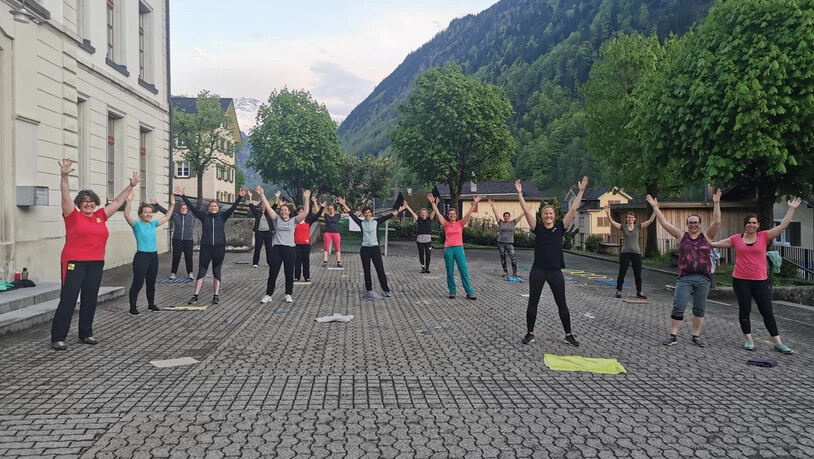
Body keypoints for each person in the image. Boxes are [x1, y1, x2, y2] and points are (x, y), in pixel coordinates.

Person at [51, 159, 140, 351]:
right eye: (85, 202)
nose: (88, 204)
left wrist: (131, 185)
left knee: (90, 298)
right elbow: (65, 195)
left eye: (91, 201)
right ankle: (58, 337)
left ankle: (86, 333)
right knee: (69, 299)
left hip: (96, 263)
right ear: (79, 204)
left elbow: (117, 201)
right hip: (75, 263)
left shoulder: (101, 216)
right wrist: (64, 176)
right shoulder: (72, 216)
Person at [710, 199, 802, 354]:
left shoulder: (764, 236)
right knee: (744, 309)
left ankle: (778, 342)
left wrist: (791, 209)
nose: (751, 225)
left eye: (754, 223)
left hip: (760, 280)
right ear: (745, 224)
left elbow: (782, 226)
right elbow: (715, 244)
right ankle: (749, 340)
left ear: (758, 225)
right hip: (740, 280)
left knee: (767, 311)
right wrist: (698, 240)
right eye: (749, 223)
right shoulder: (736, 239)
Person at [646, 190, 721, 347]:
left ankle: (696, 336)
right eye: (690, 222)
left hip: (703, 278)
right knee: (679, 306)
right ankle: (673, 335)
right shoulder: (681, 236)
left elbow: (717, 222)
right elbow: (665, 223)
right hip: (684, 278)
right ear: (687, 225)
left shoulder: (707, 237)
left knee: (699, 309)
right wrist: (655, 207)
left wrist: (716, 203)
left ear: (700, 224)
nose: (693, 225)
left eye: (696, 222)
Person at [516, 178, 585, 347]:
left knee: (562, 303)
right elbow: (525, 211)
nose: (548, 215)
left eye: (551, 213)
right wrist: (519, 193)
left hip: (555, 272)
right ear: (542, 216)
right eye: (545, 213)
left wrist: (581, 191)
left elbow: (574, 208)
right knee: (533, 302)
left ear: (555, 216)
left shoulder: (561, 227)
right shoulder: (537, 228)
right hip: (538, 271)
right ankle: (530, 333)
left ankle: (568, 335)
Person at [179, 186, 247, 306]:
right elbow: (192, 208)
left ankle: (216, 296)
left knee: (217, 271)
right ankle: (195, 296)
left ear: (218, 208)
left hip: (219, 248)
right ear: (209, 208)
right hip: (206, 248)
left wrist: (240, 197)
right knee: (201, 271)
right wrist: (183, 196)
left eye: (215, 206)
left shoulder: (222, 217)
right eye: (211, 206)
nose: (213, 208)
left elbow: (233, 208)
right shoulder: (204, 217)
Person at [338, 196, 405, 297]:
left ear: (371, 213)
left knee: (380, 269)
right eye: (365, 213)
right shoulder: (361, 223)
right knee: (367, 270)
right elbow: (352, 214)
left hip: (375, 248)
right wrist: (343, 204)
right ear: (364, 215)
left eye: (369, 213)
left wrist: (400, 210)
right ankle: (369, 290)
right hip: (365, 249)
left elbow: (389, 215)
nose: (367, 214)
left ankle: (386, 289)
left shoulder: (376, 222)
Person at [256, 187, 313, 304]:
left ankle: (288, 294)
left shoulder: (294, 221)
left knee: (289, 273)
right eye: (282, 210)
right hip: (277, 248)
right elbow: (267, 207)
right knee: (273, 272)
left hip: (290, 249)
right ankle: (268, 294)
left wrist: (306, 199)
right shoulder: (276, 219)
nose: (283, 212)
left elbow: (306, 213)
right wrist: (262, 195)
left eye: (285, 210)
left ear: (289, 212)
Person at [124, 192, 175, 315]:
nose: (148, 214)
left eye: (150, 212)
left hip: (153, 256)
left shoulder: (153, 224)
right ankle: (132, 308)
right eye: (145, 212)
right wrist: (129, 201)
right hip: (142, 257)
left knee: (151, 283)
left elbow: (167, 217)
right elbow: (126, 215)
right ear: (141, 214)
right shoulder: (137, 225)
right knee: (138, 282)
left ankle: (151, 305)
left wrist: (172, 204)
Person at [427, 193, 480, 300]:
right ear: (448, 215)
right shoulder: (446, 224)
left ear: (456, 215)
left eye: (453, 214)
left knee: (463, 270)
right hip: (448, 250)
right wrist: (433, 203)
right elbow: (437, 214)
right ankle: (452, 291)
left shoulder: (460, 223)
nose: (452, 215)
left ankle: (469, 292)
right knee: (449, 271)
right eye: (450, 214)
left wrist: (474, 204)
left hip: (459, 249)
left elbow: (468, 215)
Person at [603, 204, 656, 298]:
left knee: (638, 274)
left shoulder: (638, 227)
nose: (630, 219)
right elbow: (612, 222)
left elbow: (650, 221)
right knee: (622, 272)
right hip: (625, 253)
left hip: (636, 253)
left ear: (635, 219)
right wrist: (608, 213)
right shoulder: (623, 227)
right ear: (626, 219)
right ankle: (618, 290)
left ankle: (639, 291)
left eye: (632, 217)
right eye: (629, 217)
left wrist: (655, 209)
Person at [152, 198, 195, 279]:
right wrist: (156, 205)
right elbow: (166, 212)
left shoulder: (192, 216)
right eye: (182, 208)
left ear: (187, 209)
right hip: (177, 240)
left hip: (188, 240)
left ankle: (190, 273)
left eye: (185, 208)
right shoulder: (175, 216)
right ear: (179, 209)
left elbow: (200, 210)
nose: (183, 209)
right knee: (176, 257)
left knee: (188, 257)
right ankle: (173, 273)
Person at [488, 199, 528, 279]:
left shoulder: (513, 222)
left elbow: (521, 216)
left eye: (507, 216)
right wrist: (492, 206)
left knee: (513, 258)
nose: (506, 217)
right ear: (503, 217)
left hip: (509, 243)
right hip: (501, 243)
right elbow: (496, 213)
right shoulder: (501, 222)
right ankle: (505, 272)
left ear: (509, 217)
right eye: (505, 216)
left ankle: (515, 272)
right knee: (503, 258)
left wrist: (526, 210)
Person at [294, 196, 326, 282]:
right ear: (297, 213)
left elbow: (317, 215)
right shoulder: (294, 221)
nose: (301, 213)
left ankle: (306, 277)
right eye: (299, 212)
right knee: (297, 261)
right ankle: (296, 277)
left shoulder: (308, 220)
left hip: (306, 244)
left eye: (302, 211)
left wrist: (322, 207)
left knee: (306, 261)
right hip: (296, 243)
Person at [404, 201, 436, 273]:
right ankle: (423, 267)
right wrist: (407, 206)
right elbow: (412, 213)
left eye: (424, 213)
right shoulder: (418, 219)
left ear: (427, 214)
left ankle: (427, 268)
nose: (423, 214)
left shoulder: (429, 219)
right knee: (421, 254)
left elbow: (434, 211)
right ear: (420, 214)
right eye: (422, 213)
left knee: (428, 254)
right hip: (420, 240)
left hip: (428, 240)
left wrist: (435, 204)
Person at [248, 194, 279, 268]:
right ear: (260, 206)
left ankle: (270, 262)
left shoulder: (269, 212)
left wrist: (277, 197)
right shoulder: (257, 212)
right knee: (257, 248)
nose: (263, 206)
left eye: (265, 205)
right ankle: (255, 263)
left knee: (269, 249)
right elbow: (251, 206)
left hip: (268, 232)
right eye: (262, 205)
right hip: (259, 232)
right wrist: (250, 196)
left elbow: (275, 205)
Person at [321, 203, 348, 268]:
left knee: (337, 248)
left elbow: (345, 215)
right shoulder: (326, 216)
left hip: (336, 233)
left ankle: (338, 261)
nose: (331, 210)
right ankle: (325, 261)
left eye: (332, 208)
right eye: (330, 209)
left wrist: (354, 214)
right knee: (326, 247)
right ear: (328, 210)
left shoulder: (337, 215)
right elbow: (319, 213)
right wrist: (316, 204)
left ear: (334, 209)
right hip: (328, 233)